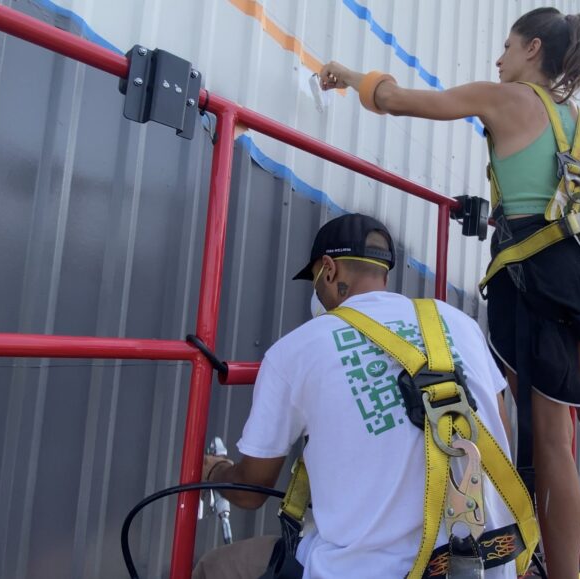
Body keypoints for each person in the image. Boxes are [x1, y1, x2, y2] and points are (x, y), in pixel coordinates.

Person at [319, 7, 580, 579]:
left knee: (552, 437)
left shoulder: (506, 99)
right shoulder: (577, 122)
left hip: (533, 278)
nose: (498, 59)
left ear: (533, 49)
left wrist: (347, 76)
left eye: (507, 46)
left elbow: (398, 101)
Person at [197, 213, 527, 579]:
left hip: (363, 571)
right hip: (487, 565)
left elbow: (250, 490)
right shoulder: (460, 324)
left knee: (215, 567)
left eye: (316, 283)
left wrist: (217, 470)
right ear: (384, 275)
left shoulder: (296, 351)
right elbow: (499, 434)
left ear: (328, 270)